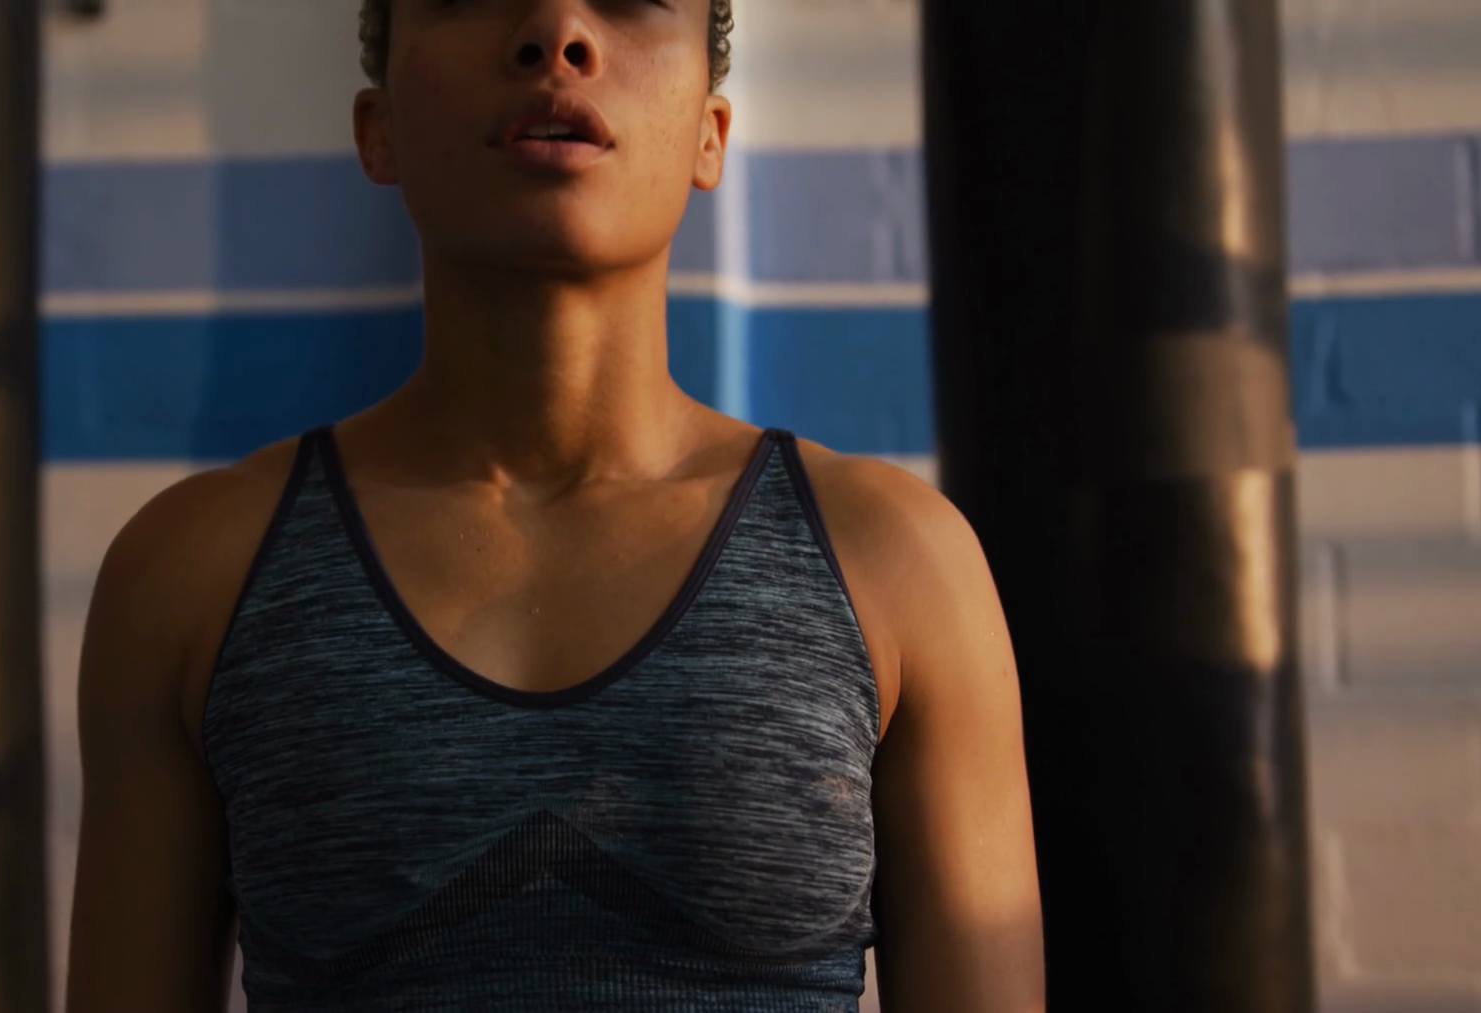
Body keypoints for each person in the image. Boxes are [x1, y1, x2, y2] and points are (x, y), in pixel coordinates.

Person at [65, 1, 1045, 1009]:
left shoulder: (900, 561)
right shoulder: (192, 573)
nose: (557, 29)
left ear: (710, 135)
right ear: (379, 128)